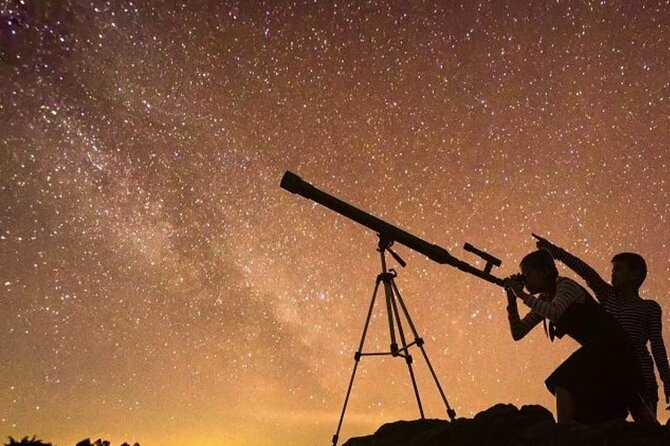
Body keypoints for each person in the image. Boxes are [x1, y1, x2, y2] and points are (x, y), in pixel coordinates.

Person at [503, 249, 655, 425]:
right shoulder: (545, 299)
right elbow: (518, 332)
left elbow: (554, 313)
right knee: (632, 404)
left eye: (526, 274)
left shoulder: (565, 286)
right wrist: (512, 300)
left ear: (543, 272)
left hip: (613, 345)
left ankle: (564, 432)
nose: (524, 279)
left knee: (563, 381)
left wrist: (521, 295)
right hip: (603, 350)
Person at [532, 233, 670, 417]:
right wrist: (556, 252)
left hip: (641, 374)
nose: (613, 273)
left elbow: (657, 346)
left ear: (635, 274)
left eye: (619, 269)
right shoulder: (607, 296)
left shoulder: (650, 308)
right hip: (610, 372)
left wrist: (667, 380)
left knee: (646, 428)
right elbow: (587, 272)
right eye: (613, 270)